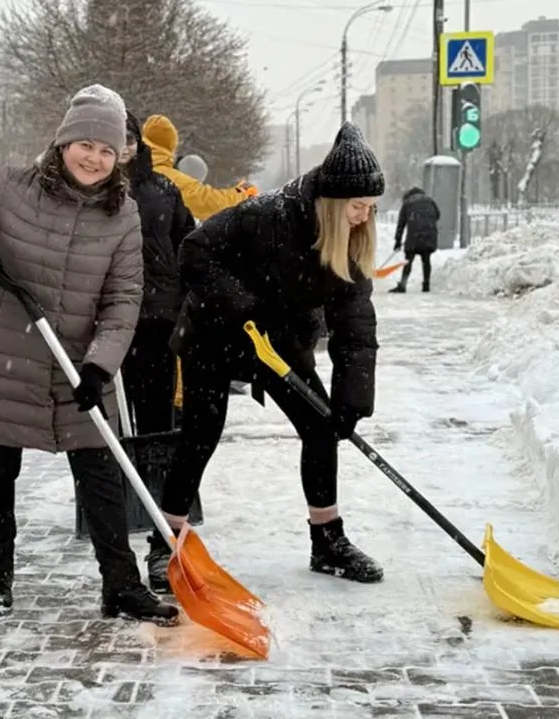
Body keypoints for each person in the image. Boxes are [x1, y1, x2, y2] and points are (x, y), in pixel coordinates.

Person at [0, 84, 178, 625]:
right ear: (63, 142)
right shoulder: (13, 187)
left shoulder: (122, 215)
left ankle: (122, 586)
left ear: (120, 157)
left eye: (108, 150)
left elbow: (123, 297)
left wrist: (101, 364)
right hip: (6, 353)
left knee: (102, 473)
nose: (95, 157)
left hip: (79, 362)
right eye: (85, 144)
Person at [146, 122, 385, 593]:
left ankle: (328, 541)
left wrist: (352, 396)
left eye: (372, 207)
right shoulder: (268, 213)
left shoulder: (350, 241)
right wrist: (240, 303)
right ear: (334, 201)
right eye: (358, 206)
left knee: (321, 428)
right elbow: (193, 252)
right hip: (214, 335)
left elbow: (355, 320)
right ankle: (164, 541)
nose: (364, 216)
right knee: (200, 434)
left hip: (280, 343)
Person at [118, 110, 195, 435]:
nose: (123, 148)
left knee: (157, 418)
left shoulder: (163, 188)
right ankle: (119, 484)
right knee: (112, 423)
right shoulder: (84, 191)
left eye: (129, 139)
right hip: (105, 321)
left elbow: (187, 243)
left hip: (157, 316)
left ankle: (157, 482)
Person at [141, 114, 256, 221]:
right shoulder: (169, 178)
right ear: (171, 144)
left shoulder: (129, 166)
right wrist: (242, 193)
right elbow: (210, 203)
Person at [390, 186, 440, 293]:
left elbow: (401, 224)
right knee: (426, 260)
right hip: (429, 235)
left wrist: (397, 241)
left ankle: (402, 285)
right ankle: (426, 285)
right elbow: (437, 215)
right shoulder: (430, 200)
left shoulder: (407, 203)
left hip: (414, 236)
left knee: (408, 260)